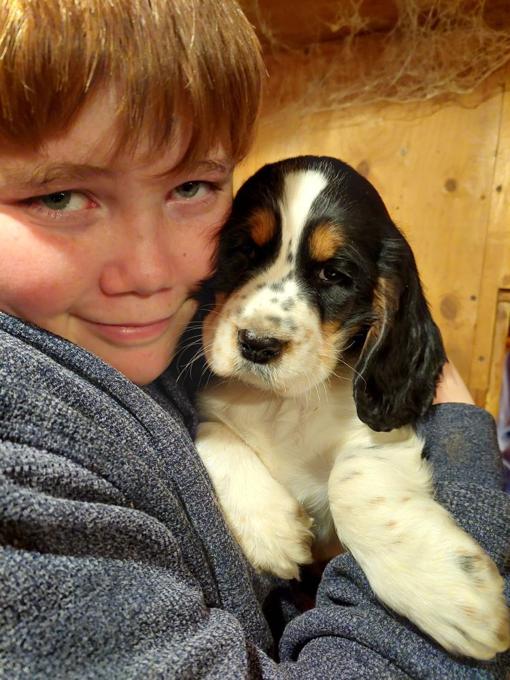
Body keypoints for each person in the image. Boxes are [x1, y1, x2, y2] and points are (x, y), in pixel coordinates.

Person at [0, 0, 508, 677]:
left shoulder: (162, 348)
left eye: (191, 186)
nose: (151, 274)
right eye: (58, 196)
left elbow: (376, 432)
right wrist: (464, 455)